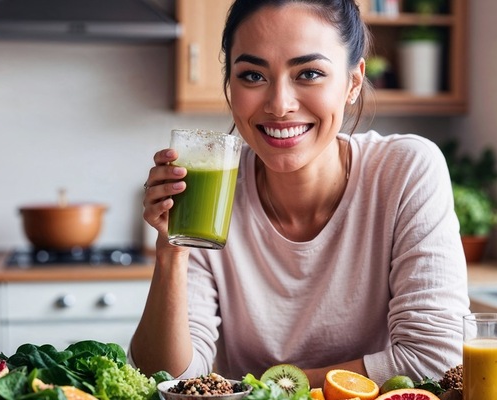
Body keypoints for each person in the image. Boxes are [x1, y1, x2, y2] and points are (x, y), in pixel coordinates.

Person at [132, 0, 470, 388]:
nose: (279, 105)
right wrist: (171, 250)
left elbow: (436, 357)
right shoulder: (211, 189)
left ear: (353, 82)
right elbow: (168, 379)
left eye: (308, 73)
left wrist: (266, 389)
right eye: (253, 76)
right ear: (230, 85)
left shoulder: (404, 170)